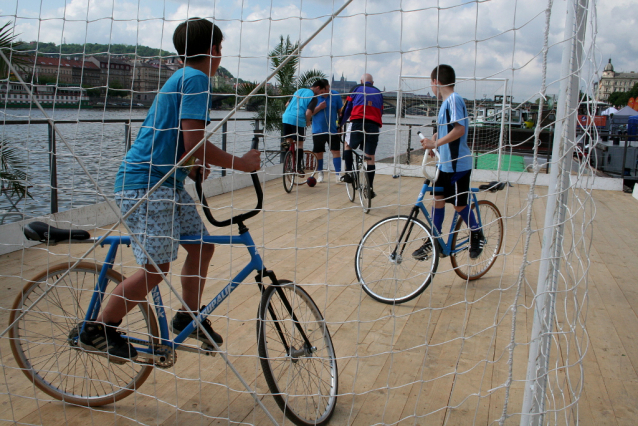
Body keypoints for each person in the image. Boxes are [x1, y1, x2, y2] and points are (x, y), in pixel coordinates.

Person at [79, 18, 261, 361]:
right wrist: (242, 162)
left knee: (203, 247)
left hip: (165, 183)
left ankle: (186, 317)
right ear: (214, 50)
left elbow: (182, 142)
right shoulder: (197, 79)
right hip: (146, 185)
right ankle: (98, 328)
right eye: (221, 49)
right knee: (157, 268)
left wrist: (189, 162)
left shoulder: (183, 77)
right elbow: (195, 142)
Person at [415, 64, 484, 260]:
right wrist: (433, 143)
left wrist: (435, 142)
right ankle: (434, 240)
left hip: (458, 165)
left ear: (436, 81)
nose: (431, 88)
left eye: (431, 83)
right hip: (445, 164)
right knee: (437, 201)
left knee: (459, 205)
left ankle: (476, 234)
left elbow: (459, 129)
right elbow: (447, 131)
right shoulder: (446, 104)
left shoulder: (454, 99)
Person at [339, 73, 383, 198]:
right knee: (370, 157)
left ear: (361, 81)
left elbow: (346, 109)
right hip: (373, 125)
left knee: (347, 145)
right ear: (372, 83)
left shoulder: (356, 88)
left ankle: (348, 173)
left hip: (358, 122)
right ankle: (369, 188)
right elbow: (381, 111)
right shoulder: (378, 92)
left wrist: (340, 124)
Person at [282, 79, 330, 176]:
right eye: (320, 92)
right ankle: (298, 167)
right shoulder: (313, 97)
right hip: (298, 120)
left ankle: (287, 159)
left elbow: (287, 104)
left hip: (286, 117)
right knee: (299, 144)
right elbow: (308, 113)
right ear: (317, 88)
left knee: (289, 140)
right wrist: (308, 121)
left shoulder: (298, 91)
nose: (320, 94)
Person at [307, 79, 344, 183]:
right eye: (324, 90)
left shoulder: (335, 95)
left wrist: (340, 126)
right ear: (320, 89)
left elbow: (340, 112)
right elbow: (310, 113)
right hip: (318, 129)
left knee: (336, 151)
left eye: (328, 89)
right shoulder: (314, 96)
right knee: (319, 153)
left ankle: (338, 175)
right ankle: (320, 174)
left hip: (332, 129)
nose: (326, 91)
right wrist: (319, 107)